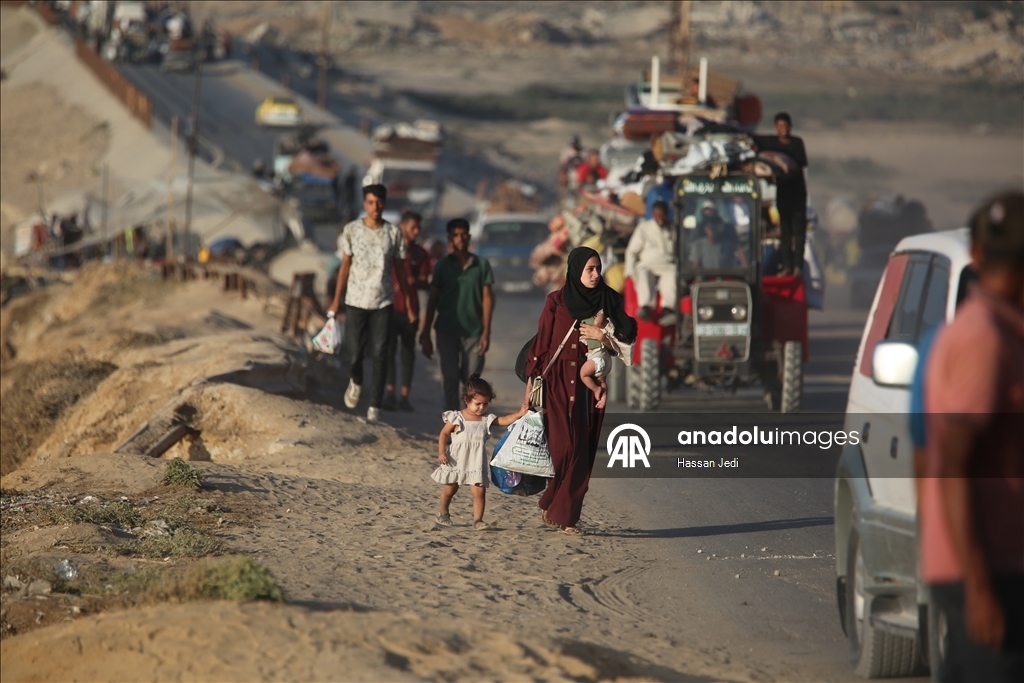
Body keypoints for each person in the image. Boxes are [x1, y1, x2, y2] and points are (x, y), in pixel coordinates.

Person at [919, 190, 1023, 682]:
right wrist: (979, 585)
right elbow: (953, 466)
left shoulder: (996, 332)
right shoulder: (983, 340)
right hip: (989, 570)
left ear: (978, 254)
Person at [525, 247, 637, 535]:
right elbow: (541, 345)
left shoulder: (608, 300)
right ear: (575, 270)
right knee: (563, 448)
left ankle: (568, 517)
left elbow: (627, 339)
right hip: (557, 382)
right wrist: (529, 392)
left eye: (598, 268)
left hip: (589, 384)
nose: (595, 274)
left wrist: (602, 336)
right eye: (589, 269)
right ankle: (552, 497)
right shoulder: (556, 301)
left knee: (582, 450)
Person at [328, 184, 416, 422]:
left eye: (379, 202)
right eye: (370, 202)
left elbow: (400, 271)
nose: (375, 207)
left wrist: (408, 304)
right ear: (364, 204)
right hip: (355, 300)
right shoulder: (351, 230)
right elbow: (344, 268)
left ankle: (374, 405)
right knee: (354, 354)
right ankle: (356, 381)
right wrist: (336, 302)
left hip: (382, 301)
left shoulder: (393, 233)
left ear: (384, 203)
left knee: (380, 353)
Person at [432, 374, 528, 530]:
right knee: (450, 489)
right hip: (455, 460)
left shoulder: (486, 419)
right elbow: (443, 434)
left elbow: (503, 421)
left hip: (476, 461)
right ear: (466, 399)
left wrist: (519, 413)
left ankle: (478, 521)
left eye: (485, 404)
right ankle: (443, 513)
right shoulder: (457, 417)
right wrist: (441, 452)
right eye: (478, 404)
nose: (481, 408)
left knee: (479, 491)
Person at [420, 219, 495, 412]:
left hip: (474, 332)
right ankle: (453, 421)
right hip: (446, 330)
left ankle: (469, 420)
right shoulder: (442, 267)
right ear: (449, 239)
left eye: (464, 234)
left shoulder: (481, 265)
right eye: (456, 235)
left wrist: (486, 331)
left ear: (469, 236)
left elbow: (487, 299)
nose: (460, 238)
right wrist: (425, 333)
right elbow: (432, 300)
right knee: (450, 377)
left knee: (472, 381)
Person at [383, 210, 432, 412]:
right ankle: (390, 394)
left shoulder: (420, 254)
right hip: (389, 308)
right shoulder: (390, 249)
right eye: (413, 227)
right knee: (388, 352)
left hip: (410, 312)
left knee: (408, 354)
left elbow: (427, 281)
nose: (417, 231)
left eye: (418, 227)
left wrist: (411, 281)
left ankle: (404, 397)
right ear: (402, 227)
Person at [754, 112, 808, 275]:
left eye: (786, 126)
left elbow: (799, 166)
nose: (783, 129)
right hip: (783, 194)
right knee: (785, 231)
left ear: (790, 127)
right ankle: (786, 266)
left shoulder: (797, 143)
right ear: (776, 127)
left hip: (797, 194)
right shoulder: (772, 143)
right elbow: (756, 140)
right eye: (780, 126)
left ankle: (797, 266)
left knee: (798, 233)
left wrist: (783, 172)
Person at [625, 200, 677, 325]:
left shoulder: (673, 228)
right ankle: (645, 307)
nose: (660, 218)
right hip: (648, 264)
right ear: (653, 214)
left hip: (667, 265)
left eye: (662, 214)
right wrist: (629, 271)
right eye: (657, 214)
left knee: (673, 275)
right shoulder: (644, 228)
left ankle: (668, 310)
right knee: (642, 274)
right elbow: (631, 251)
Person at [578, 309, 633, 410]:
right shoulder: (607, 331)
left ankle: (595, 389)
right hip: (606, 362)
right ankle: (603, 397)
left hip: (597, 359)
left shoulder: (599, 325)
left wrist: (604, 311)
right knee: (602, 380)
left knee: (583, 374)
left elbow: (598, 322)